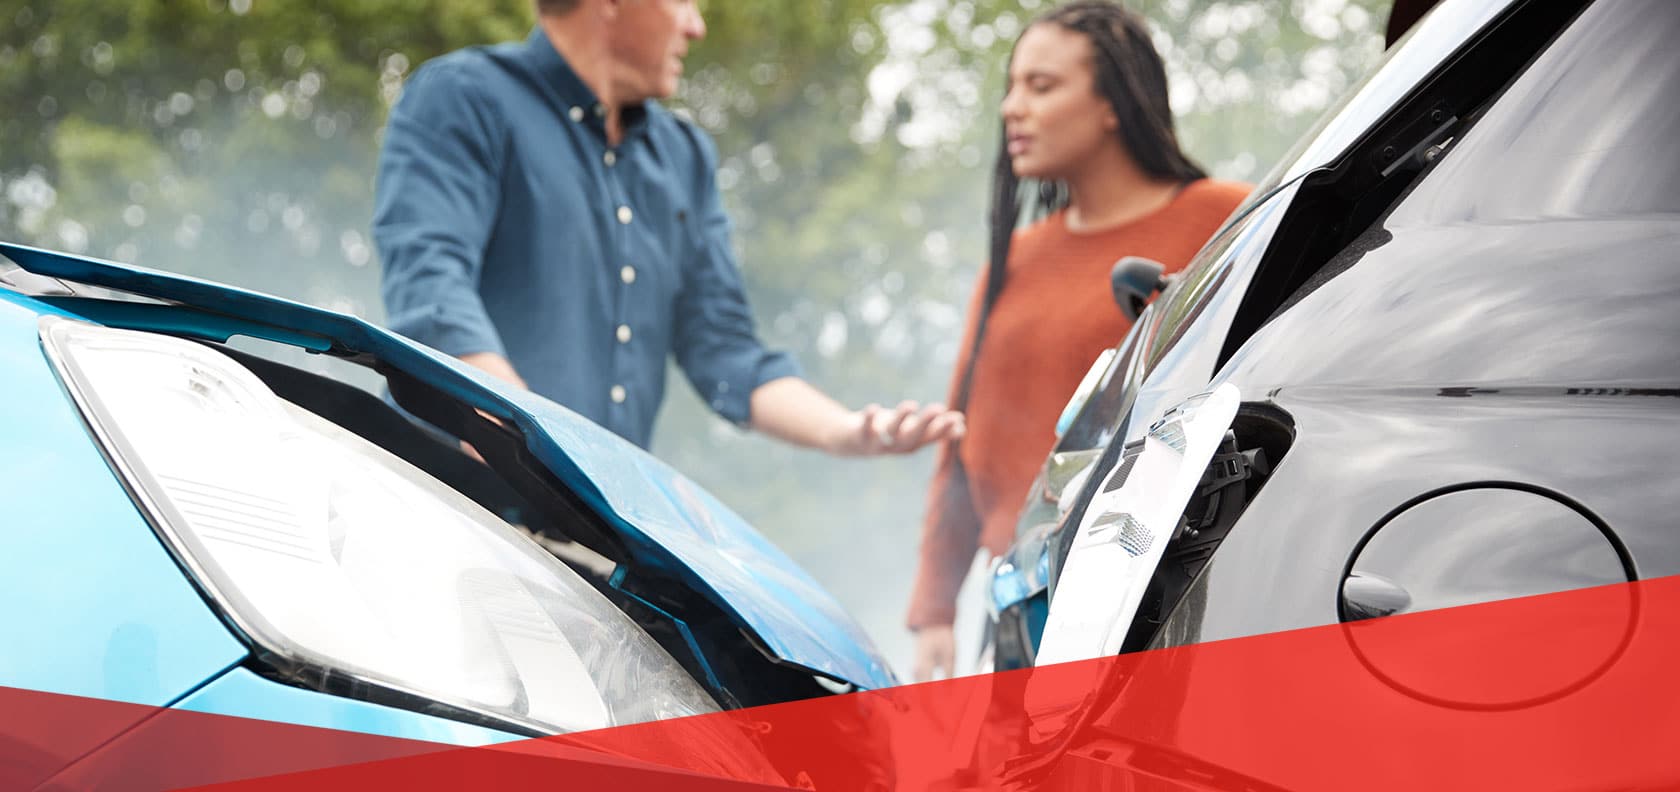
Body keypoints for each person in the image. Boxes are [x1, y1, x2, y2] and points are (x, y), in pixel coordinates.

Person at [373, 0, 962, 457]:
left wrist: (847, 431)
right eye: (684, 1)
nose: (696, 26)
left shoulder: (684, 157)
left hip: (584, 548)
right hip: (440, 505)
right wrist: (525, 442)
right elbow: (432, 289)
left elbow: (724, 349)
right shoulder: (464, 97)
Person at [906, 0, 1251, 682]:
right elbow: (959, 444)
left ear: (1112, 104)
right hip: (1018, 615)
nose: (1012, 107)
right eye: (1011, 86)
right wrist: (935, 610)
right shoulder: (1012, 262)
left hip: (1160, 607)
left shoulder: (1226, 220)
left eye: (1042, 86)